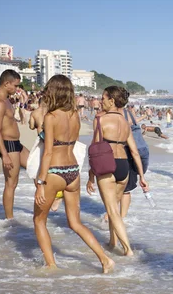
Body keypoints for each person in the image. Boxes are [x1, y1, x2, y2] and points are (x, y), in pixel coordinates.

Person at [32, 75, 114, 273]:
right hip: (73, 172)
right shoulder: (75, 115)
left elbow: (49, 152)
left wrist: (40, 182)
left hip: (54, 172)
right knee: (76, 223)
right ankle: (105, 259)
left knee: (38, 220)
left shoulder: (51, 117)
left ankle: (51, 265)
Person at [86, 86, 148, 256]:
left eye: (103, 98)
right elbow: (134, 151)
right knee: (114, 209)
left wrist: (91, 174)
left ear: (112, 101)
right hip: (124, 167)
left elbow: (95, 148)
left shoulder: (100, 120)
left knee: (112, 211)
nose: (101, 101)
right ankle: (112, 242)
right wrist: (141, 176)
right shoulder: (125, 122)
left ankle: (128, 250)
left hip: (107, 164)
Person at [0, 70, 30, 219]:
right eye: (15, 85)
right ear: (6, 84)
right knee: (11, 184)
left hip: (16, 144)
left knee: (35, 166)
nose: (17, 89)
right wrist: (5, 155)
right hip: (8, 145)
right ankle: (9, 219)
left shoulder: (6, 100)